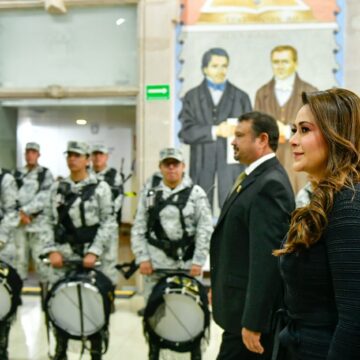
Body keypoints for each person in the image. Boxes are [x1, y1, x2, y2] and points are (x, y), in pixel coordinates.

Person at [274, 88, 360, 359]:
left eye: (305, 130)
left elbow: (354, 322)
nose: (293, 140)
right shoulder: (328, 197)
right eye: (293, 130)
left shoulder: (348, 205)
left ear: (338, 135)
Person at [210, 111, 295, 359]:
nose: (233, 142)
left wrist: (254, 321)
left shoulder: (270, 184)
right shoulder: (253, 177)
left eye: (239, 135)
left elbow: (267, 260)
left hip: (248, 318)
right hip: (238, 308)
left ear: (262, 140)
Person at [131, 147, 213, 360]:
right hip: (156, 268)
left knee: (191, 316)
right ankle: (155, 353)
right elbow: (139, 227)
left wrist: (199, 261)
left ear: (183, 166)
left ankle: (194, 353)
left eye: (175, 164)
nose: (171, 168)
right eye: (166, 164)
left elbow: (205, 229)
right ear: (160, 168)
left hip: (187, 267)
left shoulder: (196, 194)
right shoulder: (150, 195)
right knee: (155, 317)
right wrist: (142, 258)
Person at [40, 141, 118, 360]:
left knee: (94, 305)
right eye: (69, 155)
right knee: (60, 303)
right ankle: (61, 348)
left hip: (92, 259)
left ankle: (95, 350)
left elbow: (108, 222)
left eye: (77, 155)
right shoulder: (57, 188)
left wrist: (94, 252)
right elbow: (46, 221)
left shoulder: (100, 188)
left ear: (87, 160)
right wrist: (50, 250)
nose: (72, 159)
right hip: (63, 256)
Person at [179, 47, 252, 209]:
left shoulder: (242, 97)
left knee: (234, 212)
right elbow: (185, 133)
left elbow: (251, 133)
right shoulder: (191, 97)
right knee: (199, 212)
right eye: (215, 66)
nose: (221, 70)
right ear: (204, 69)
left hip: (233, 168)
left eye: (224, 66)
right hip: (201, 166)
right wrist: (214, 131)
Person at [255, 45, 317, 193]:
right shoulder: (262, 93)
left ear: (295, 63)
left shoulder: (311, 92)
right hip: (271, 162)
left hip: (300, 162)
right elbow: (256, 130)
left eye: (285, 62)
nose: (280, 66)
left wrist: (288, 131)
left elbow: (316, 129)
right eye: (276, 62)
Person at [13, 142, 54, 284]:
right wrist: (20, 213)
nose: (30, 155)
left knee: (40, 259)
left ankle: (46, 294)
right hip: (19, 223)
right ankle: (17, 294)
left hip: (38, 223)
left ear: (38, 155)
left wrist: (27, 211)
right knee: (19, 259)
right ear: (24, 154)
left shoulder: (45, 174)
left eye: (33, 152)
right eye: (28, 152)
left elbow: (45, 196)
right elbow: (10, 196)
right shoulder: (17, 174)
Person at [0, 169, 22, 360]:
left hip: (1, 249)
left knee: (2, 300)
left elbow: (11, 213)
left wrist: (0, 239)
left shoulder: (4, 179)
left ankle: (1, 347)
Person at [90, 144, 124, 226]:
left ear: (107, 157)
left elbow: (119, 198)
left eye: (101, 154)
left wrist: (106, 214)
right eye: (95, 154)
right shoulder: (85, 173)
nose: (98, 157)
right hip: (88, 218)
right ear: (91, 157)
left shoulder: (114, 175)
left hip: (108, 220)